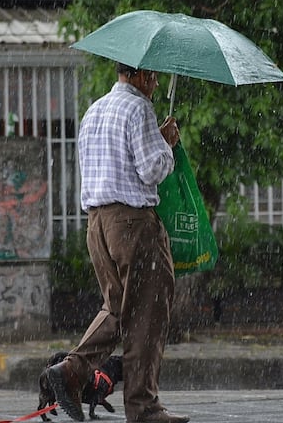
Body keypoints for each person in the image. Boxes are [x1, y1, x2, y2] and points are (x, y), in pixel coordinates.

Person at [46, 62, 189, 423]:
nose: (155, 85)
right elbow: (151, 170)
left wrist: (154, 138)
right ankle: (143, 407)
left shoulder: (95, 110)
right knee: (147, 315)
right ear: (139, 75)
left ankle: (71, 371)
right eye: (153, 77)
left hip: (97, 223)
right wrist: (166, 143)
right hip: (133, 223)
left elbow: (118, 162)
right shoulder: (139, 107)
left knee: (116, 308)